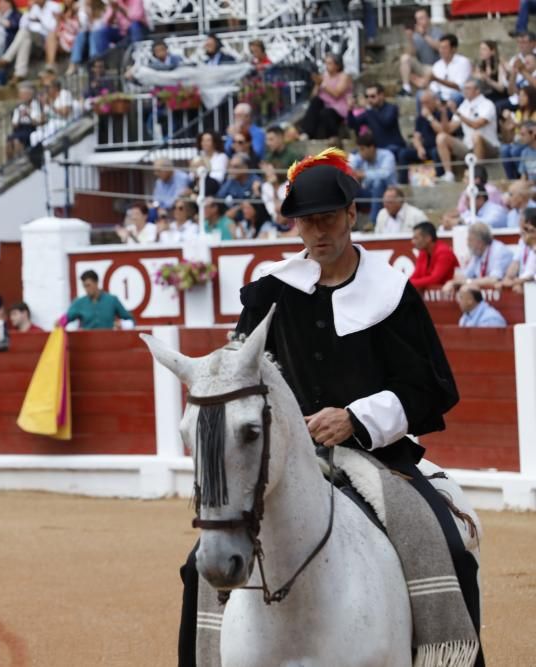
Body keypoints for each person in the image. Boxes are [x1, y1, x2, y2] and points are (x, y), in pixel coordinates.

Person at [177, 147, 481, 666]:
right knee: (197, 569)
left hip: (376, 455)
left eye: (326, 220)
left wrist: (355, 418)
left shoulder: (390, 291)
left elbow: (430, 388)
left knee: (450, 549)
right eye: (305, 222)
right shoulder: (270, 291)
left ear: (351, 216)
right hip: (286, 456)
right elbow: (239, 372)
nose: (317, 233)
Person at [0, 0, 61, 84]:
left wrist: (39, 20)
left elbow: (52, 28)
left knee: (25, 34)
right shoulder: (34, 8)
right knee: (25, 37)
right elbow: (22, 25)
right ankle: (19, 73)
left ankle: (6, 59)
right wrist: (28, 11)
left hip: (47, 39)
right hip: (32, 37)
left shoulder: (54, 6)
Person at [443, 222, 514, 293]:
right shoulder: (477, 253)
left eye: (470, 240)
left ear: (479, 242)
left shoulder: (499, 251)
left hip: (507, 294)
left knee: (466, 290)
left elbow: (494, 279)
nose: (467, 244)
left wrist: (467, 282)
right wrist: (452, 283)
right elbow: (465, 275)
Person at [297, 53, 352, 140]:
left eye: (329, 63)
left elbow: (337, 94)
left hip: (337, 109)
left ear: (337, 65)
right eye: (326, 63)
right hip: (324, 105)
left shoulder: (344, 77)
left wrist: (322, 84)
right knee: (316, 101)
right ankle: (306, 132)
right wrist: (317, 84)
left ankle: (333, 138)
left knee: (326, 113)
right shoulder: (324, 76)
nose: (326, 66)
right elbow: (313, 96)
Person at [348, 83, 406, 160]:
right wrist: (350, 110)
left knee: (384, 153)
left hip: (394, 146)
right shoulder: (369, 112)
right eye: (367, 96)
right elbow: (353, 124)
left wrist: (369, 108)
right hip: (377, 148)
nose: (369, 99)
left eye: (372, 96)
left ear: (381, 95)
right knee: (353, 155)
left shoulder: (391, 108)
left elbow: (386, 123)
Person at [349, 132, 397, 225]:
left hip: (388, 192)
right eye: (359, 150)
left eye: (362, 149)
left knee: (378, 183)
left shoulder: (387, 155)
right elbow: (350, 167)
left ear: (372, 148)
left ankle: (372, 222)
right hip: (369, 192)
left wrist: (364, 174)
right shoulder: (361, 157)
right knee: (351, 188)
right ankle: (350, 222)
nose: (360, 153)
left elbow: (385, 174)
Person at [63, 269, 134, 330]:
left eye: (88, 285)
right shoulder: (79, 303)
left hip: (108, 342)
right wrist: (60, 322)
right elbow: (67, 318)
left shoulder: (112, 300)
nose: (86, 289)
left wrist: (123, 324)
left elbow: (130, 321)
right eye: (84, 286)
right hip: (87, 343)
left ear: (96, 283)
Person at [399, 8, 444, 97]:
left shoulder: (437, 31)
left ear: (428, 18)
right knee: (404, 58)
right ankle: (406, 88)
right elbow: (412, 54)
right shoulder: (415, 35)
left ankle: (422, 82)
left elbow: (438, 47)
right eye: (417, 19)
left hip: (435, 66)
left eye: (422, 18)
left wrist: (424, 35)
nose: (419, 21)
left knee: (432, 73)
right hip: (422, 66)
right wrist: (410, 39)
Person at [499, 86, 536, 179]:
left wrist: (515, 123)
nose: (520, 98)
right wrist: (506, 125)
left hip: (530, 144)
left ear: (531, 97)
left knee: (515, 150)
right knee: (504, 149)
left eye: (523, 95)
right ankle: (511, 179)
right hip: (518, 141)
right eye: (519, 95)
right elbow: (509, 139)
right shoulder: (518, 113)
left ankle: (521, 176)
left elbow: (531, 129)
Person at [409, 221, 458, 289]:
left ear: (428, 238)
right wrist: (406, 283)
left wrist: (408, 284)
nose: (413, 242)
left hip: (447, 296)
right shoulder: (423, 252)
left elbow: (435, 279)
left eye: (416, 238)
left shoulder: (444, 253)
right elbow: (416, 275)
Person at [428, 34, 473, 105]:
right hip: (440, 96)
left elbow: (459, 87)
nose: (441, 51)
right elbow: (433, 87)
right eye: (440, 47)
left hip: (457, 96)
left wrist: (437, 79)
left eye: (445, 48)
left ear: (453, 49)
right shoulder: (437, 65)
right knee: (422, 96)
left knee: (455, 97)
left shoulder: (463, 62)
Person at [7, 83, 43, 158]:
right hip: (20, 128)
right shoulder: (19, 107)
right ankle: (10, 162)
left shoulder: (36, 105)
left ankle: (20, 159)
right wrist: (19, 116)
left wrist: (28, 115)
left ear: (29, 95)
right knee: (10, 141)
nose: (21, 97)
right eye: (21, 95)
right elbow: (14, 125)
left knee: (17, 140)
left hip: (31, 128)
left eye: (23, 94)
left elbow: (37, 122)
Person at [190, 131, 228, 197]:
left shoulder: (221, 157)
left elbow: (218, 178)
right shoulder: (197, 157)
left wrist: (204, 168)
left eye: (208, 140)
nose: (205, 143)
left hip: (214, 189)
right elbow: (191, 176)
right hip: (197, 186)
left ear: (215, 142)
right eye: (203, 140)